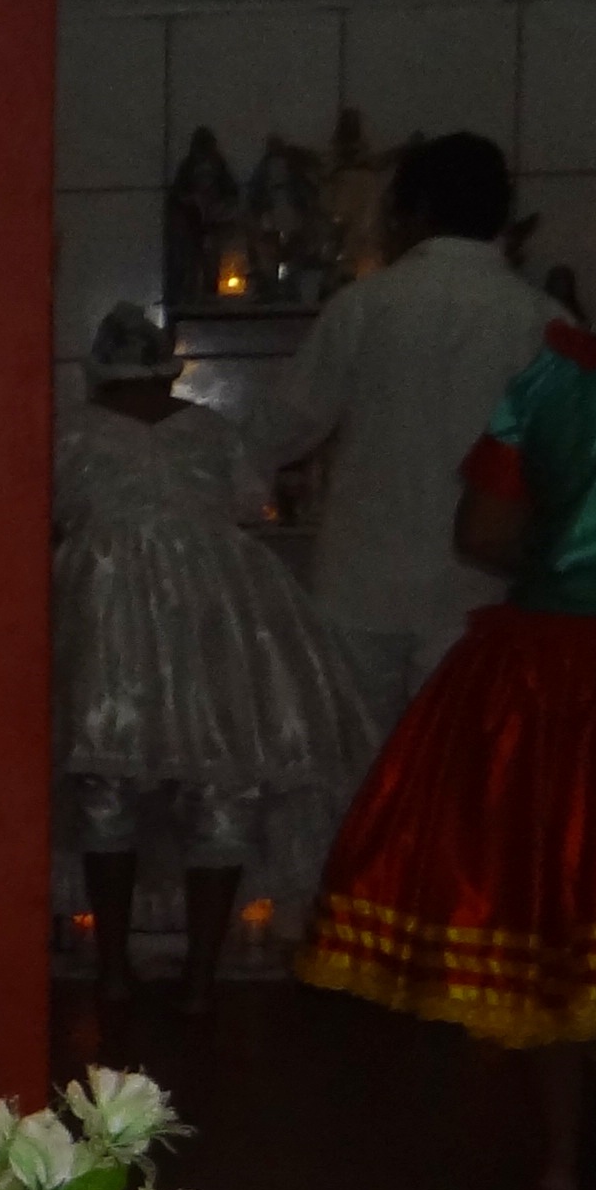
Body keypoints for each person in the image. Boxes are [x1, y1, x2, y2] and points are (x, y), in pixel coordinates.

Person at [297, 164, 596, 1190]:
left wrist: (577, 556)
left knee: (552, 915)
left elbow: (484, 530)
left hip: (553, 670)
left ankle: (565, 1162)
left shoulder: (564, 371)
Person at [54, 304, 374, 1037]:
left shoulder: (70, 430)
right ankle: (199, 979)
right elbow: (249, 503)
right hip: (216, 612)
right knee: (222, 784)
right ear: (166, 368)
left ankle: (112, 969)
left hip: (103, 610)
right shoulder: (209, 429)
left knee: (105, 788)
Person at [247, 131, 564, 742]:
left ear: (411, 212)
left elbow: (283, 424)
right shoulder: (543, 320)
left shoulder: (365, 306)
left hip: (359, 584)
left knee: (355, 769)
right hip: (479, 591)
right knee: (456, 767)